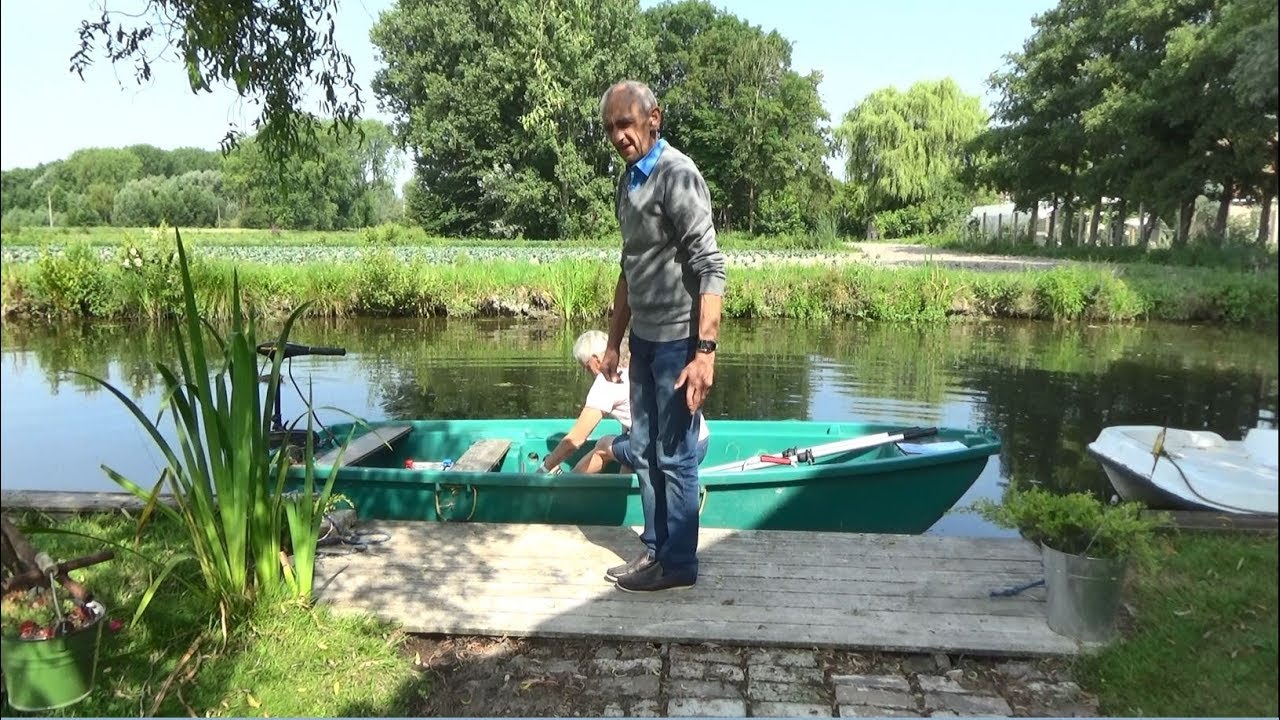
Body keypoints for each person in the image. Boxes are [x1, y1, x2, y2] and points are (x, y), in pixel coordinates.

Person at [595, 80, 726, 593]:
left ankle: (679, 564)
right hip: (644, 344)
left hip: (678, 341)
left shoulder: (678, 174)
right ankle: (655, 552)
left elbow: (711, 266)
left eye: (626, 123)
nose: (619, 135)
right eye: (611, 127)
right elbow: (630, 268)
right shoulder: (628, 182)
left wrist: (705, 353)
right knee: (644, 450)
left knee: (675, 455)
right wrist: (613, 343)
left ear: (655, 119)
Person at [535, 330, 709, 477]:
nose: (586, 371)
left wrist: (544, 469)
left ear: (596, 359)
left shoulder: (605, 383)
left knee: (604, 445)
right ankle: (624, 492)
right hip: (698, 441)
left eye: (585, 366)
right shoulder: (634, 364)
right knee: (626, 446)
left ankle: (567, 486)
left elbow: (575, 439)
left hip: (674, 451)